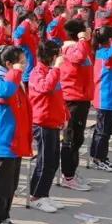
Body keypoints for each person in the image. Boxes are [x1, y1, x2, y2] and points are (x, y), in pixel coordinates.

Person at [0, 46, 32, 224]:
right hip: (3, 139)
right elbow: (2, 93)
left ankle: (5, 218)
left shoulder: (14, 77)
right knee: (1, 185)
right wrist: (16, 72)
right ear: (8, 64)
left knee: (11, 184)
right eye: (21, 62)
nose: (25, 65)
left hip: (15, 138)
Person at [27, 41, 67, 213]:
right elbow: (46, 87)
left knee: (53, 160)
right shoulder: (38, 72)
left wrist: (65, 116)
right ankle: (36, 195)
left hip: (53, 121)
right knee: (45, 161)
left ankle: (44, 193)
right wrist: (56, 69)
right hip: (42, 123)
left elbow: (58, 95)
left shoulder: (51, 72)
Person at [56, 20, 94, 192]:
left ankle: (71, 171)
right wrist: (83, 40)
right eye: (86, 31)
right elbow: (78, 57)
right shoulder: (71, 49)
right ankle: (68, 176)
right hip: (73, 99)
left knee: (77, 138)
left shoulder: (80, 48)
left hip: (81, 98)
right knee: (71, 138)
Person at [88, 26, 112, 172]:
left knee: (105, 131)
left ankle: (99, 156)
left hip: (111, 98)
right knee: (103, 131)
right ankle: (98, 158)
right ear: (110, 39)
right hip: (105, 99)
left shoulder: (103, 52)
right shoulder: (103, 53)